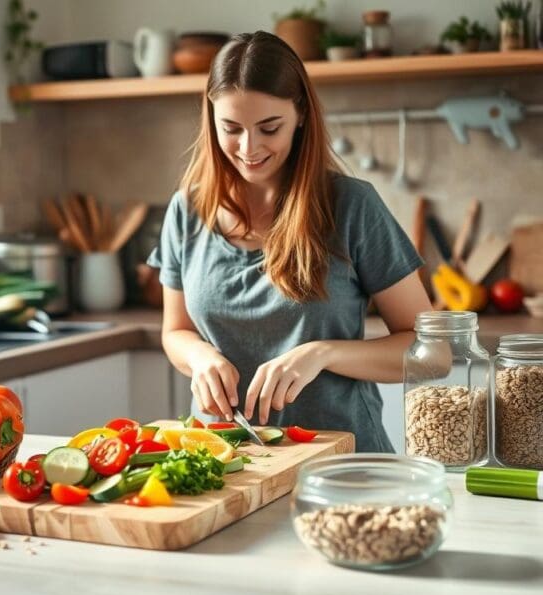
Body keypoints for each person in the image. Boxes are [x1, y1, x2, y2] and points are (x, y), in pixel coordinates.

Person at [146, 31, 432, 453]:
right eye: (231, 128)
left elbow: (432, 351)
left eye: (269, 128)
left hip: (340, 464)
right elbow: (176, 331)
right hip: (225, 463)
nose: (249, 148)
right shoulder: (187, 209)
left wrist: (323, 354)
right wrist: (199, 357)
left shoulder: (351, 206)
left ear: (300, 114)